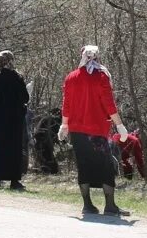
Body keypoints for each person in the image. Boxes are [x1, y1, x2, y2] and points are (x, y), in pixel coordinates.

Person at [59, 45, 130, 217]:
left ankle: (87, 205)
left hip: (76, 129)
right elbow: (109, 104)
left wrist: (64, 125)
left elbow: (66, 104)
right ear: (97, 57)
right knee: (106, 166)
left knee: (83, 165)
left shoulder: (71, 77)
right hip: (96, 129)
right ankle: (110, 205)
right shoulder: (101, 77)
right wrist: (120, 125)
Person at [0, 50, 29, 190]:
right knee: (14, 148)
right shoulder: (17, 78)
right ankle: (14, 180)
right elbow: (25, 98)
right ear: (11, 61)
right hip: (14, 119)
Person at [33, 107, 62, 174]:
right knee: (48, 159)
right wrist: (63, 142)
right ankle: (48, 171)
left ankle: (46, 170)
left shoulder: (45, 119)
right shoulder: (53, 119)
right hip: (44, 141)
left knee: (45, 158)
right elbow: (58, 132)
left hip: (40, 141)